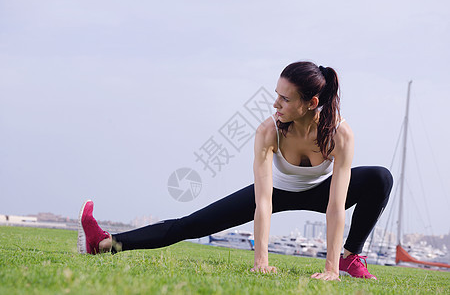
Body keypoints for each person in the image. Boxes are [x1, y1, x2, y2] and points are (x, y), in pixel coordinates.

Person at [77, 61, 393, 281]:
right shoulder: (269, 131)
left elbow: (336, 207)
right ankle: (103, 243)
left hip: (321, 192)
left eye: (285, 98)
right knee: (190, 224)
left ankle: (348, 258)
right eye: (276, 94)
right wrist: (261, 261)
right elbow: (264, 202)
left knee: (380, 177)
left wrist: (330, 270)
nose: (275, 104)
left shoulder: (340, 134)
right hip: (276, 193)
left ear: (311, 103)